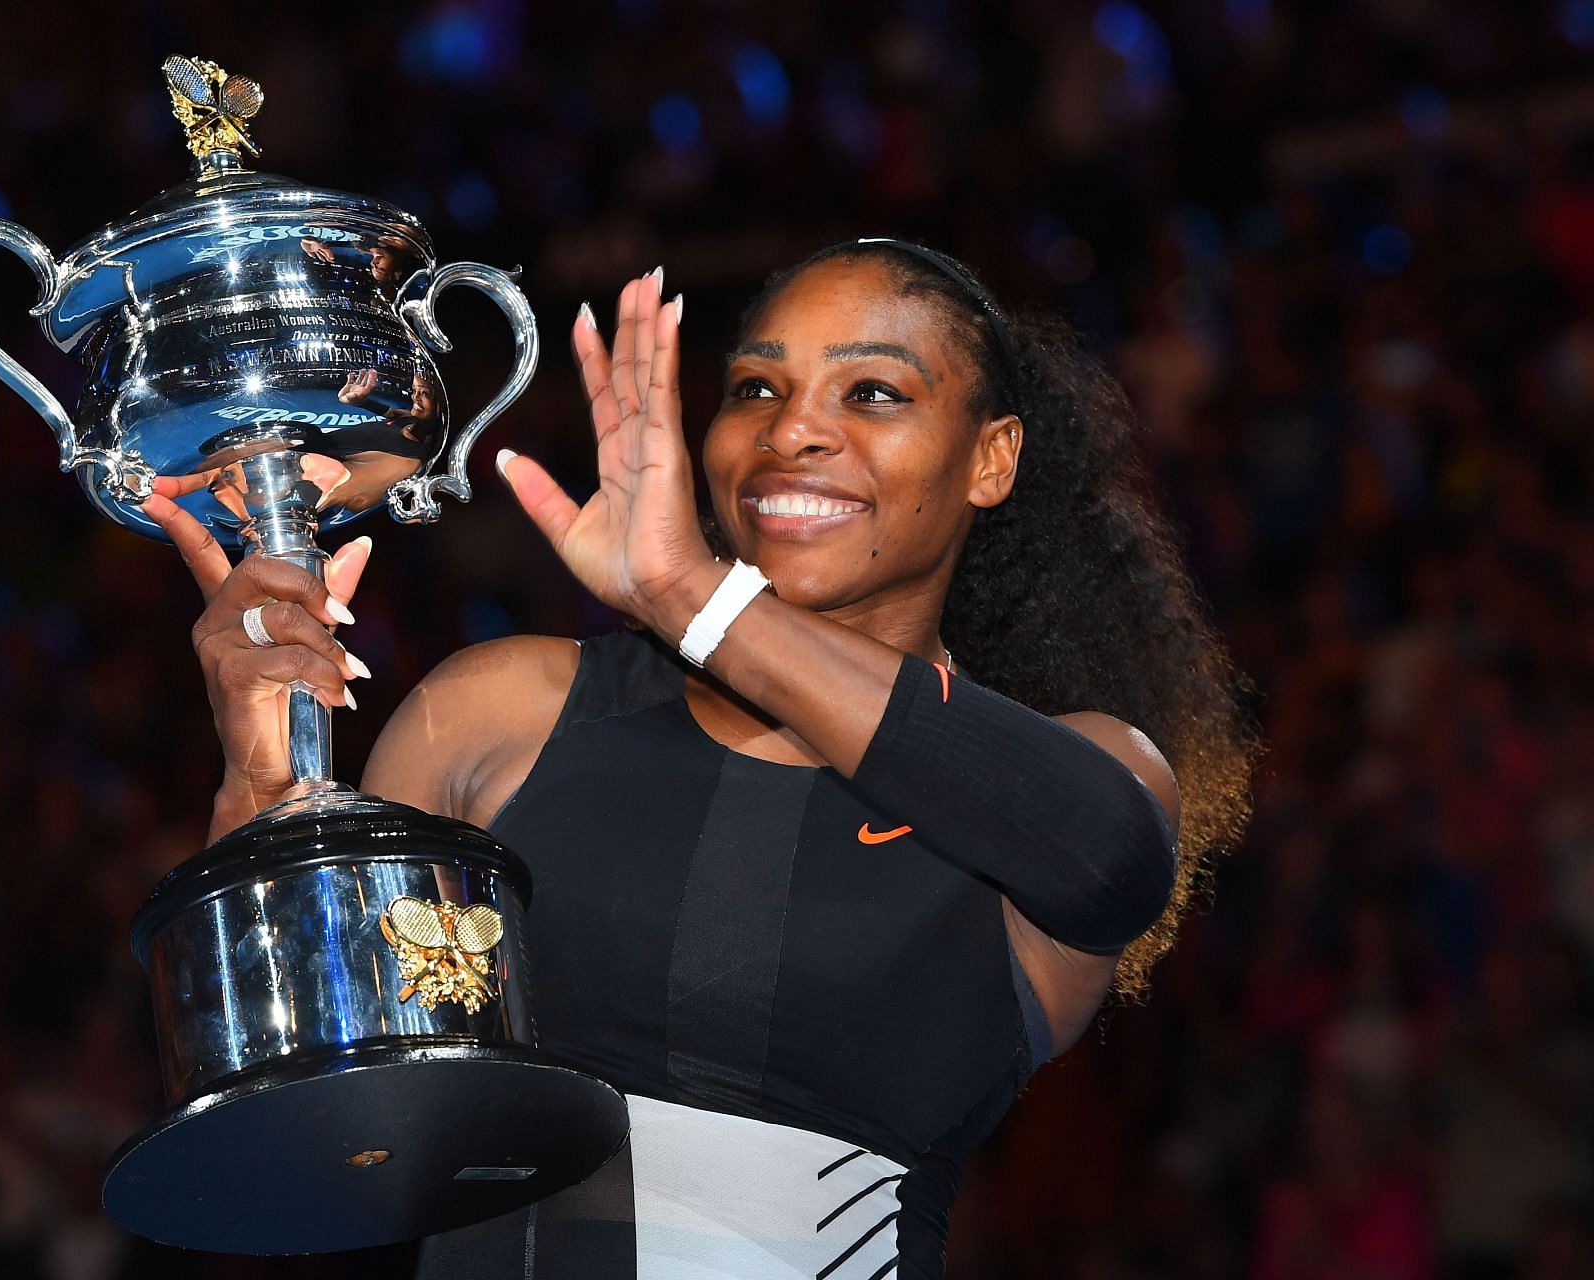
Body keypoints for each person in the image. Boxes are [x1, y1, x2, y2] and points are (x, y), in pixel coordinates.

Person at [142, 241, 1261, 1278]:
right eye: (757, 389)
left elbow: (1108, 859)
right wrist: (262, 771)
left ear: (991, 458)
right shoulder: (506, 711)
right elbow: (299, 1124)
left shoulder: (1068, 780)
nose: (793, 432)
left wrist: (692, 594)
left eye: (873, 392)